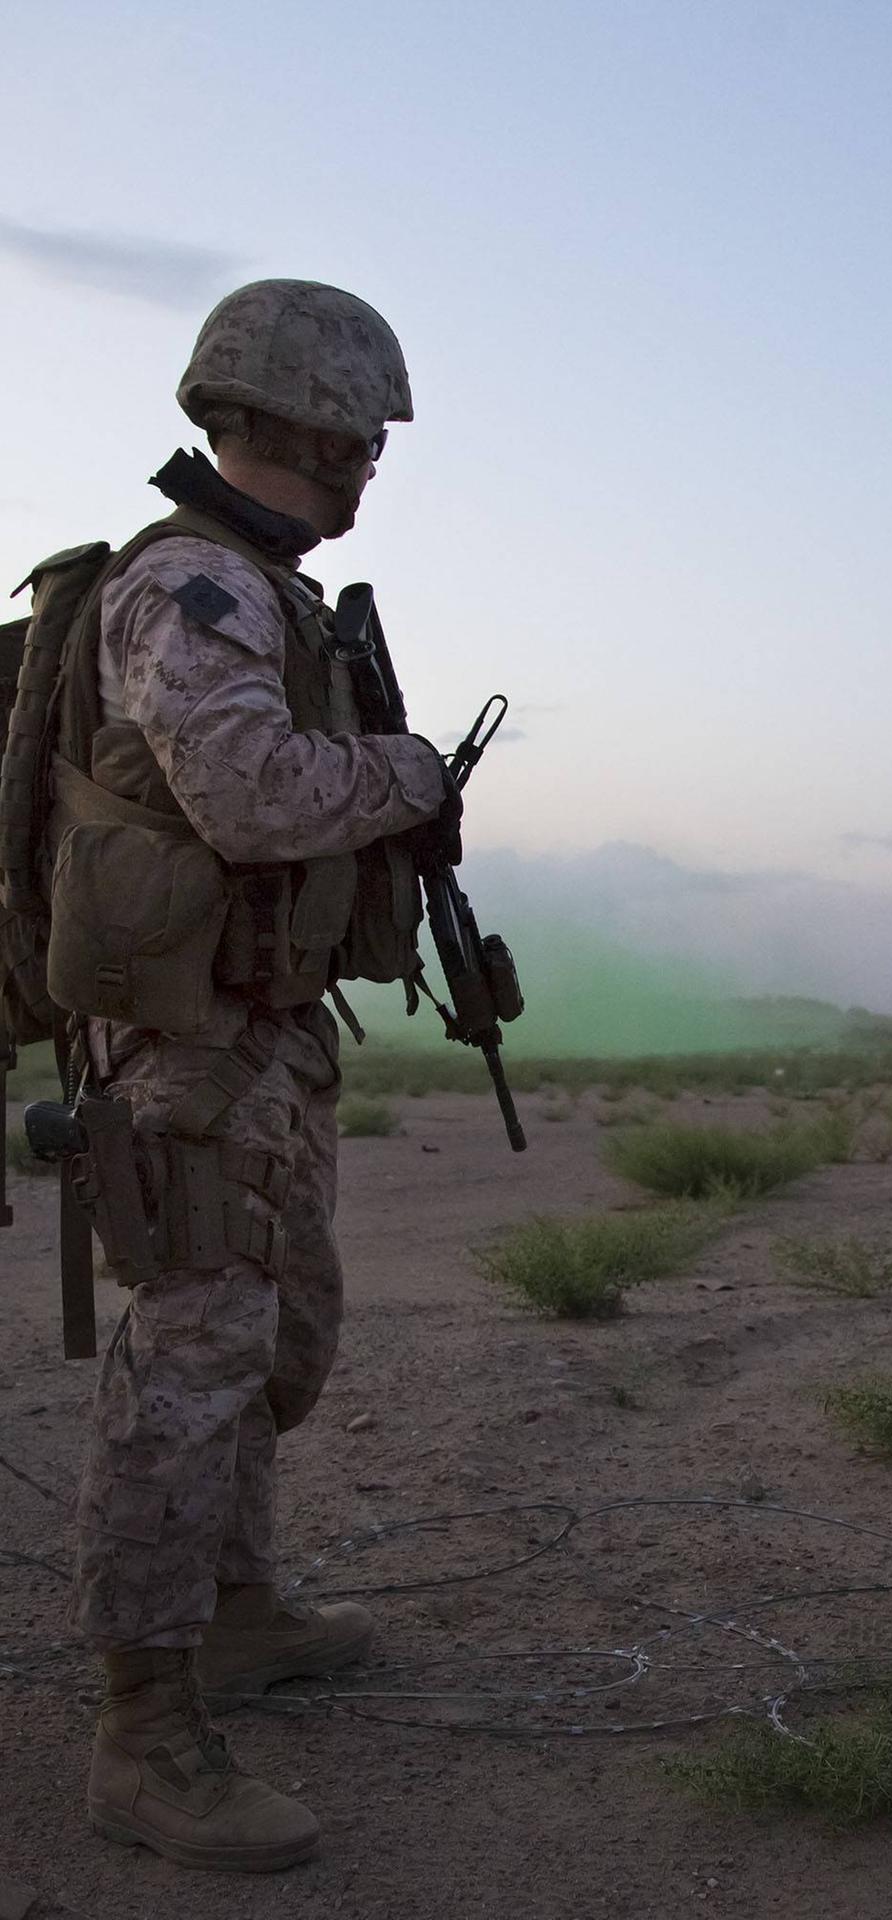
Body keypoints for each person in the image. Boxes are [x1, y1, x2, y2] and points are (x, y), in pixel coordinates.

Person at [54, 280, 458, 1870]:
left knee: (276, 1340)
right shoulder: (197, 585)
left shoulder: (267, 591)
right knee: (190, 1362)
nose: (373, 463)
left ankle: (234, 1615)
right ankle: (143, 1736)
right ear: (308, 421)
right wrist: (407, 773)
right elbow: (245, 795)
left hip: (261, 1034)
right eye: (365, 434)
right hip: (188, 1052)